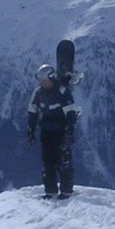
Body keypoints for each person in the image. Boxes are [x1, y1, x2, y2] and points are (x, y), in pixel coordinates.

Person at [27, 63, 78, 198]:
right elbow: (32, 110)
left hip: (61, 132)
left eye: (44, 80)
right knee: (48, 161)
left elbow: (70, 111)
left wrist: (69, 128)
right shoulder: (38, 92)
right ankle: (50, 191)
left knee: (63, 161)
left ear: (51, 78)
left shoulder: (62, 92)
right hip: (46, 132)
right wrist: (31, 127)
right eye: (41, 81)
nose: (42, 83)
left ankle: (66, 191)